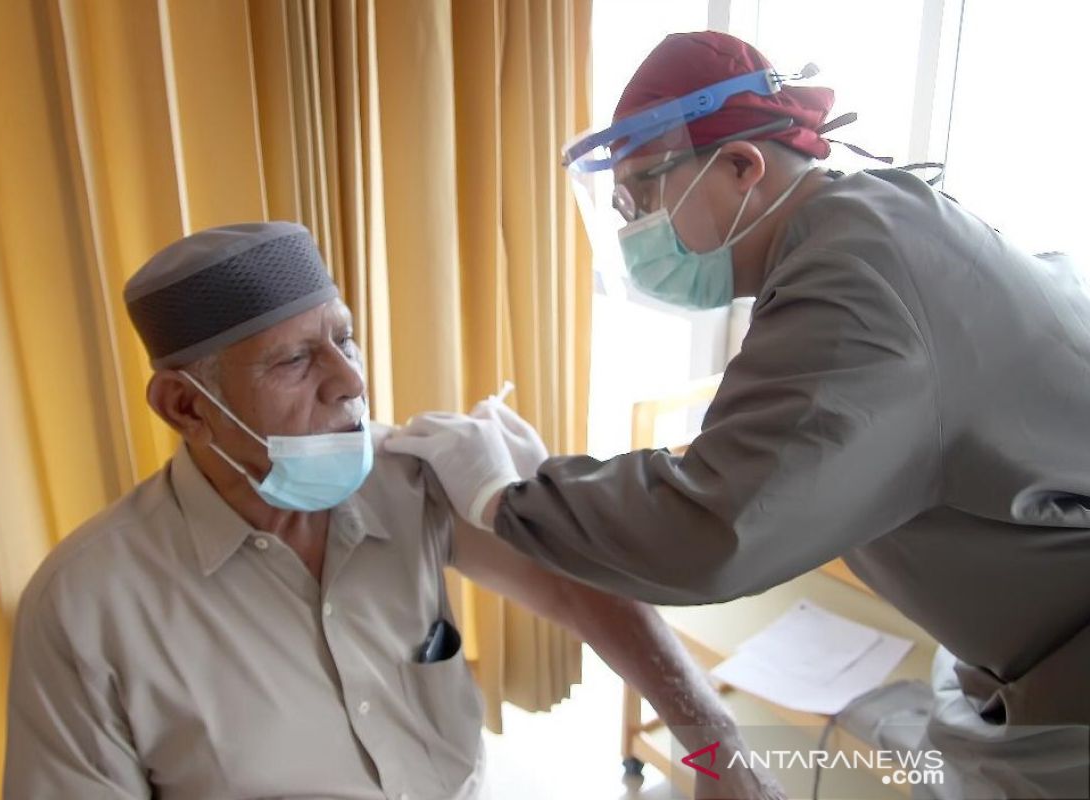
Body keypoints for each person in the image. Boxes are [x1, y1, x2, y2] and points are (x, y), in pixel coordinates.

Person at [385, 31, 1090, 799]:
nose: (632, 230)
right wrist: (546, 487)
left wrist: (504, 497)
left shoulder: (855, 278)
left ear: (742, 166)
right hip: (1020, 661)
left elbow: (713, 529)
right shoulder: (862, 228)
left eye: (642, 196)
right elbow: (766, 447)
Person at [2, 221, 781, 799]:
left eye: (344, 340)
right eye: (295, 359)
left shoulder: (414, 480)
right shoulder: (86, 609)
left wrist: (715, 744)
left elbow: (582, 589)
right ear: (186, 406)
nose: (348, 382)